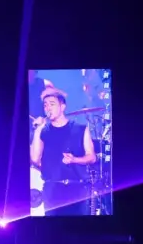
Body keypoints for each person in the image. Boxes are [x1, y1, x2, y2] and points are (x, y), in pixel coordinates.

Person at [30, 88, 96, 216]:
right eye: (45, 105)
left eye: (52, 104)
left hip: (77, 190)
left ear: (62, 107)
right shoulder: (43, 132)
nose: (48, 108)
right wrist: (38, 129)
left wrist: (75, 159)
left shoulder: (80, 129)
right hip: (52, 191)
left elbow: (92, 157)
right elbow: (35, 158)